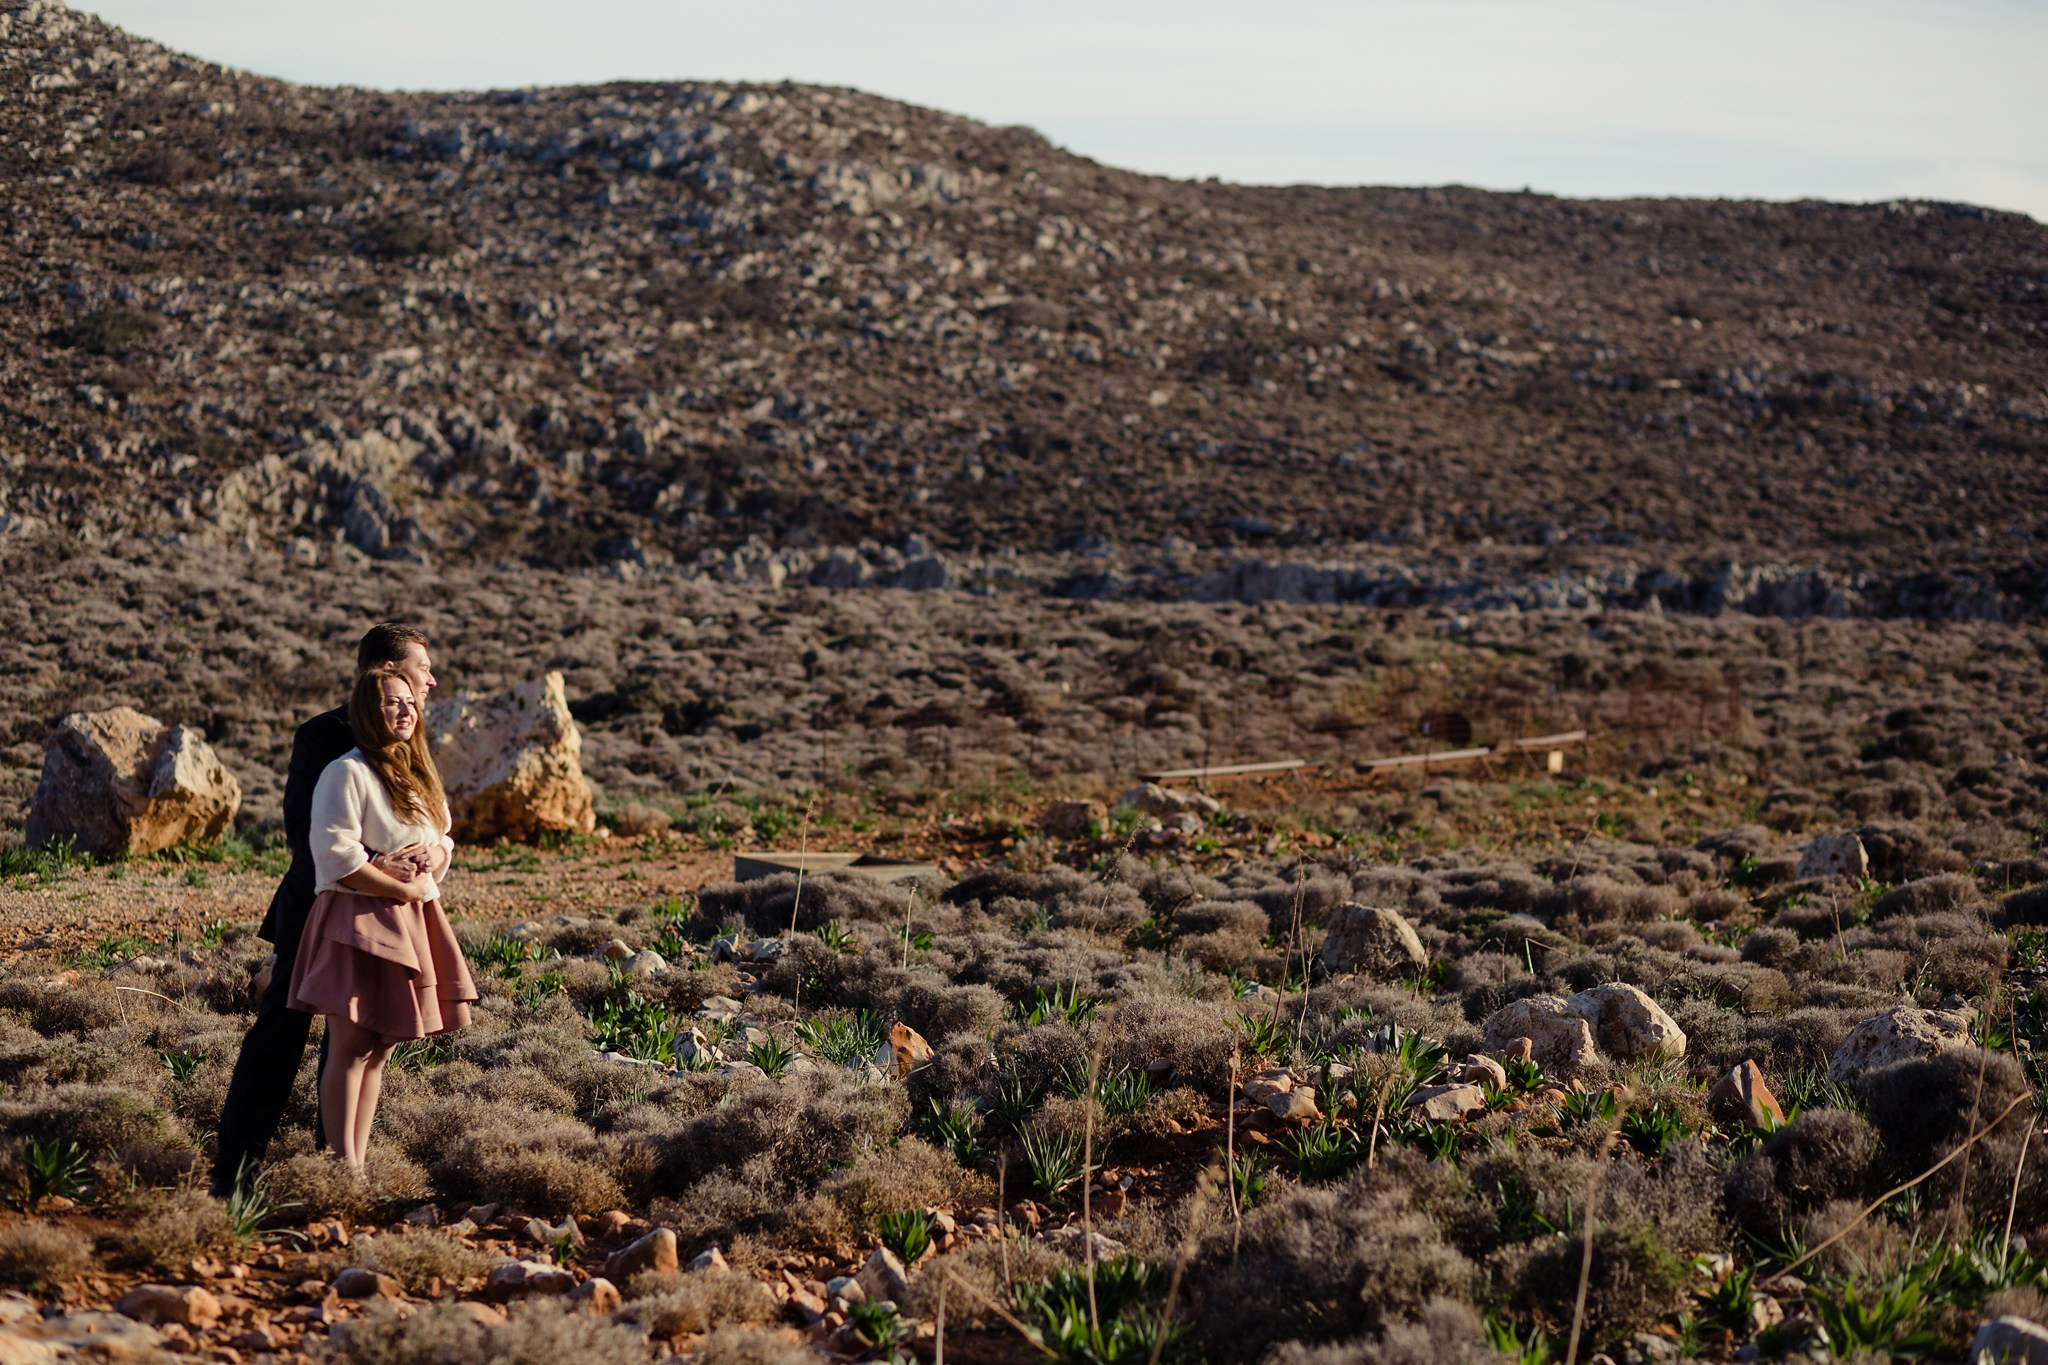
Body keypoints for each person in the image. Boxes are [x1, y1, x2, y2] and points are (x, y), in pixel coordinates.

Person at [209, 624, 438, 1197]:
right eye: (420, 668)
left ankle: (334, 1166)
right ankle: (234, 1174)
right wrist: (376, 876)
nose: (430, 680)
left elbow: (438, 825)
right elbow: (305, 835)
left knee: (361, 1040)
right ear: (383, 670)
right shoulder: (323, 739)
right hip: (318, 909)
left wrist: (431, 856)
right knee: (280, 1036)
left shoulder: (414, 741)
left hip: (391, 917)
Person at [288, 665, 475, 1170]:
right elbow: (333, 856)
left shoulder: (417, 773)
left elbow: (442, 837)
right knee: (350, 1043)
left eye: (409, 701)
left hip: (412, 917)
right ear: (367, 711)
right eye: (392, 702)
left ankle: (358, 1163)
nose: (405, 709)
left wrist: (435, 859)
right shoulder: (346, 772)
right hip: (357, 919)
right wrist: (390, 878)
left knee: (381, 1044)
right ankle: (339, 1166)